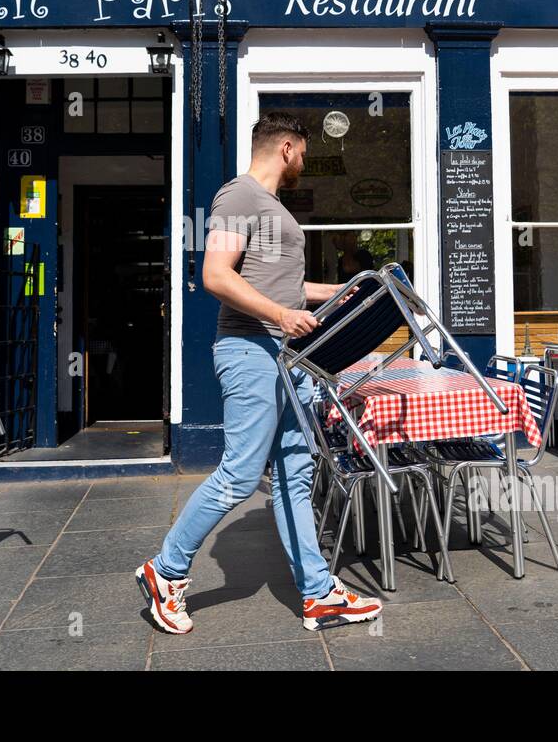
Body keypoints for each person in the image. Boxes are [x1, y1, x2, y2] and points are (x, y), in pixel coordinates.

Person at [135, 112, 383, 634]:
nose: (304, 164)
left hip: (283, 357)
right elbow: (214, 275)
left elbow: (283, 289)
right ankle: (166, 571)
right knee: (242, 474)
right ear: (288, 148)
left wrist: (345, 291)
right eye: (305, 154)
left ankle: (318, 593)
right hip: (251, 350)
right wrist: (280, 316)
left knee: (297, 470)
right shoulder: (240, 196)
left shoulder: (269, 207)